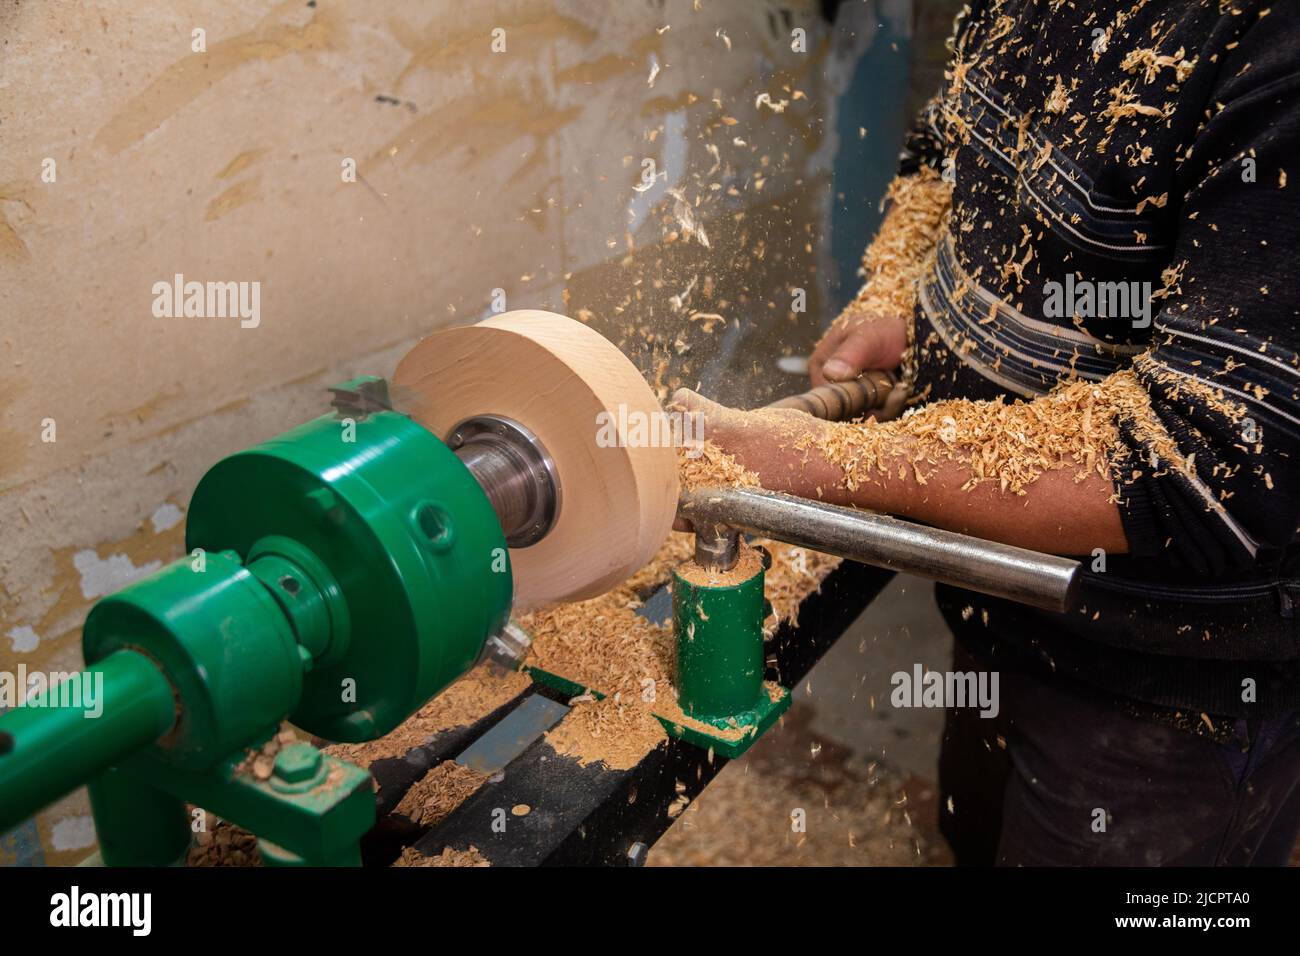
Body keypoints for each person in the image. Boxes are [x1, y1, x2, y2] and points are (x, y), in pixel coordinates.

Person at [674, 0, 1300, 865]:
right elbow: (952, 144)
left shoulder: (1272, 50)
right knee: (973, 836)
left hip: (1167, 693)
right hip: (996, 594)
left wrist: (806, 457)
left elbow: (1206, 465)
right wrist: (899, 290)